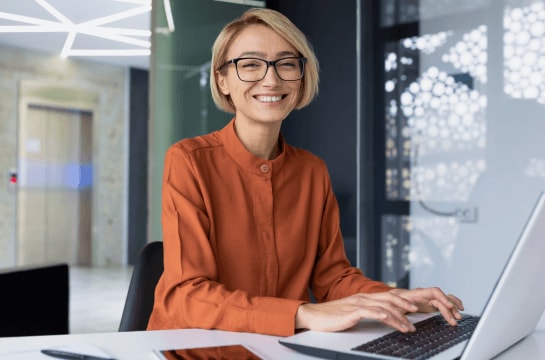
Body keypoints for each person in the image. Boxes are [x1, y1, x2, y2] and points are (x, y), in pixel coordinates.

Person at [147, 7, 463, 337]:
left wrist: (394, 298)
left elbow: (333, 278)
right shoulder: (189, 161)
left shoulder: (312, 171)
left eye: (286, 63)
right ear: (221, 79)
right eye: (251, 64)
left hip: (280, 350)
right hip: (193, 349)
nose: (271, 79)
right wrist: (302, 313)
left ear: (301, 78)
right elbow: (188, 295)